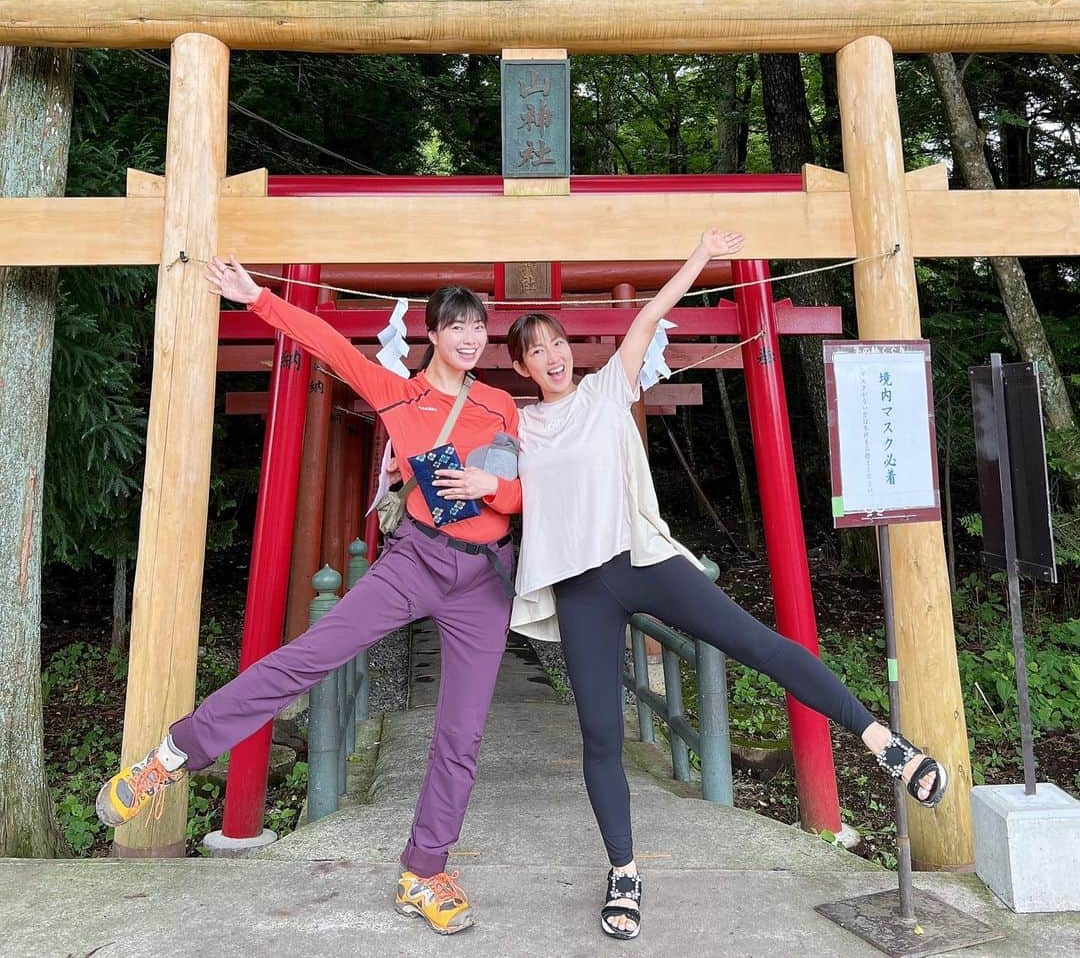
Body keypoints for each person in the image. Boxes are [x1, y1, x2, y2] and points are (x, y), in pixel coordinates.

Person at [502, 229, 949, 942]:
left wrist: (701, 255)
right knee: (596, 734)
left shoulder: (603, 390)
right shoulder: (521, 426)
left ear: (568, 348)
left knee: (760, 645)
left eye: (556, 341)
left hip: (642, 558)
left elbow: (647, 319)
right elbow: (453, 425)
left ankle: (883, 742)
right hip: (581, 587)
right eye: (535, 350)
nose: (551, 356)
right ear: (522, 366)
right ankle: (624, 871)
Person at [97, 255, 521, 937]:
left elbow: (520, 491)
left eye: (479, 327)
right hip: (417, 561)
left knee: (461, 732)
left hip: (485, 580)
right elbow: (325, 342)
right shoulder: (398, 394)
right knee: (309, 657)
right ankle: (171, 756)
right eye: (457, 326)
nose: (471, 338)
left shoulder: (500, 403)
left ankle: (424, 871)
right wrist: (256, 298)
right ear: (434, 335)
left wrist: (490, 489)